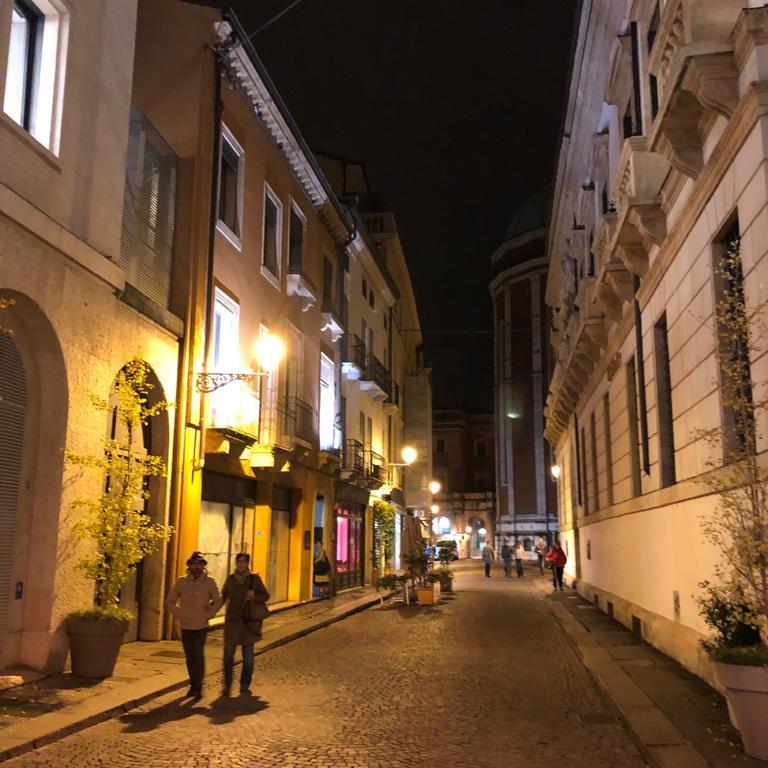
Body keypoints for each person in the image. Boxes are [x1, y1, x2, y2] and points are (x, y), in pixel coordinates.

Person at [165, 551, 222, 699]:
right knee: (189, 656)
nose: (196, 567)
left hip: (201, 624)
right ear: (189, 566)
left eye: (199, 564)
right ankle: (193, 683)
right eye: (194, 564)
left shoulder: (209, 582)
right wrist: (179, 613)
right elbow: (170, 601)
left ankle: (197, 686)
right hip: (186, 625)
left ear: (203, 566)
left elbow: (218, 600)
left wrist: (209, 614)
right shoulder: (181, 582)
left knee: (197, 654)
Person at [221, 553, 269, 696]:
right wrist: (209, 610)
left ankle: (244, 685)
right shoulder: (230, 580)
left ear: (247, 564)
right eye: (238, 561)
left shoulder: (254, 579)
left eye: (243, 562)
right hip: (232, 623)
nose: (240, 564)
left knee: (248, 658)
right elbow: (223, 597)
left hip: (248, 624)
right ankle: (227, 685)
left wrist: (254, 596)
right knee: (228, 657)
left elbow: (265, 596)